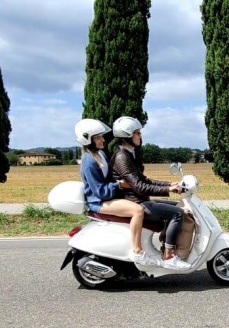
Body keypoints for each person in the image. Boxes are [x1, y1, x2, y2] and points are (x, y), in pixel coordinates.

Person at [75, 118, 160, 267]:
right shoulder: (88, 161)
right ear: (87, 139)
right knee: (138, 210)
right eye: (98, 137)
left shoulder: (99, 155)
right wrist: (119, 185)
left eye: (101, 136)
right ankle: (137, 251)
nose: (102, 140)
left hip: (106, 198)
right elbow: (100, 191)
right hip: (98, 202)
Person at [109, 116, 192, 271]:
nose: (140, 136)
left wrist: (169, 184)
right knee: (177, 214)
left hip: (140, 199)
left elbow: (144, 179)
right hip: (135, 202)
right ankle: (168, 255)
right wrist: (168, 189)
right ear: (127, 135)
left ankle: (165, 246)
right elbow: (140, 186)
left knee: (178, 206)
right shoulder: (121, 157)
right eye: (137, 133)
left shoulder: (129, 154)